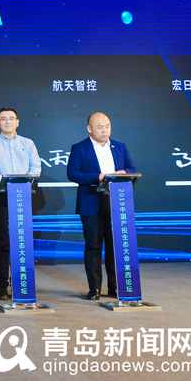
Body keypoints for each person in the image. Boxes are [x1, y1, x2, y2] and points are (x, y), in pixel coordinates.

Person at [67, 111, 135, 301]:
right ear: (89, 129)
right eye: (99, 127)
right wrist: (97, 177)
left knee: (116, 246)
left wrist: (124, 172)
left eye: (107, 126)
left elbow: (132, 168)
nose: (104, 130)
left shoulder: (119, 146)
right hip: (91, 202)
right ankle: (94, 288)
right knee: (93, 246)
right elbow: (72, 173)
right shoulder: (79, 148)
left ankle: (116, 288)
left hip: (117, 202)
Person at [0, 107, 41, 300]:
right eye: (3, 119)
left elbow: (36, 167)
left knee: (22, 240)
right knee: (3, 241)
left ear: (18, 122)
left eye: (11, 118)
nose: (8, 122)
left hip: (23, 194)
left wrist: (21, 184)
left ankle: (22, 284)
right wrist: (7, 184)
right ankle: (1, 285)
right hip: (0, 194)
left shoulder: (28, 143)